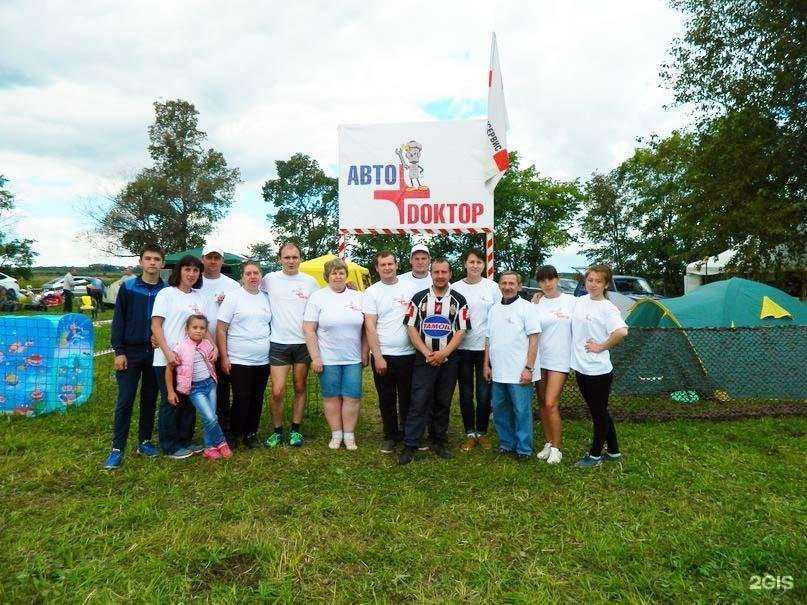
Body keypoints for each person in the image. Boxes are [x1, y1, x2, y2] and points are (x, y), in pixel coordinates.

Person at [398, 258, 470, 465]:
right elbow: (411, 327)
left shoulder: (459, 300)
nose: (440, 276)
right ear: (431, 273)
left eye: (444, 272)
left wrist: (444, 353)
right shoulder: (419, 298)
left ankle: (439, 441)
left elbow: (461, 330)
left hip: (449, 359)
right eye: (436, 272)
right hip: (424, 358)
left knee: (443, 401)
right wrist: (427, 352)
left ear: (450, 274)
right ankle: (410, 444)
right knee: (419, 400)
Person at [103, 245, 167, 470]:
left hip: (155, 353)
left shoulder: (166, 290)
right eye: (148, 258)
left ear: (162, 263)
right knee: (125, 399)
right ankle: (117, 448)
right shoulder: (128, 287)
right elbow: (118, 320)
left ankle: (145, 441)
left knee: (150, 398)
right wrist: (118, 350)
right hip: (130, 352)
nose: (152, 263)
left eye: (156, 259)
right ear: (141, 262)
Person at [152, 255, 216, 459]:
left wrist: (213, 347)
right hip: (168, 359)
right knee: (172, 401)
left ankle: (185, 440)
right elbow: (156, 325)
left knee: (188, 402)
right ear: (179, 271)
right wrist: (167, 352)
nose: (191, 274)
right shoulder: (166, 294)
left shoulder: (200, 297)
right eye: (187, 269)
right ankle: (170, 445)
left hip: (192, 361)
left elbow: (203, 328)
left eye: (196, 270)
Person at [303, 258, 367, 450]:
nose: (338, 276)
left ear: (346, 275)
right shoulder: (318, 297)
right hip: (328, 358)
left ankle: (349, 435)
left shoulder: (358, 297)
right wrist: (315, 357)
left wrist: (365, 351)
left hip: (353, 358)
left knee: (352, 396)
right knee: (331, 396)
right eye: (333, 273)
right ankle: (336, 434)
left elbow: (366, 328)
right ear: (327, 276)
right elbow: (308, 329)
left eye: (341, 272)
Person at [261, 242, 318, 448]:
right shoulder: (269, 279)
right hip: (278, 342)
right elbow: (250, 291)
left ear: (300, 259)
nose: (291, 261)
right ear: (280, 259)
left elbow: (323, 302)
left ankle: (295, 429)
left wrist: (348, 290)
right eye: (287, 257)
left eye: (295, 257)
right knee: (277, 391)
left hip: (303, 343)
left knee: (300, 386)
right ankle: (277, 431)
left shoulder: (310, 282)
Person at [571, 265, 628, 468]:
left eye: (598, 281)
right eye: (590, 280)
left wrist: (601, 346)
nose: (593, 284)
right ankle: (613, 451)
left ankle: (595, 456)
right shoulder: (579, 302)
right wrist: (539, 296)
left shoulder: (608, 308)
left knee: (598, 413)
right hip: (581, 368)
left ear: (605, 285)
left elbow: (621, 332)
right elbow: (556, 300)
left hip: (598, 371)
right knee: (600, 410)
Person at [363, 251, 417, 453]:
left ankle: (408, 433)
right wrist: (377, 356)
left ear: (396, 265)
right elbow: (370, 325)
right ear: (377, 268)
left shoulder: (410, 289)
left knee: (407, 397)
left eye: (390, 264)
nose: (387, 268)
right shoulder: (372, 292)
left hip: (408, 354)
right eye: (382, 265)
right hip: (384, 354)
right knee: (386, 398)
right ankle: (390, 435)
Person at [483, 271, 541, 459]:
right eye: (504, 283)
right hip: (498, 371)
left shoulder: (527, 308)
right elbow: (488, 339)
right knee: (500, 410)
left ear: (519, 286)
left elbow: (534, 340)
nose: (508, 287)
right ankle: (506, 443)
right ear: (499, 285)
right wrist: (486, 365)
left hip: (519, 372)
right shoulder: (493, 309)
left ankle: (524, 448)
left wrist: (528, 368)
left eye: (512, 283)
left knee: (521, 411)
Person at [217, 261, 272, 448]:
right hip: (239, 359)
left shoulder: (266, 297)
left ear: (261, 276)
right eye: (248, 273)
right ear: (242, 277)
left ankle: (251, 433)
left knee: (257, 398)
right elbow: (221, 329)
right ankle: (234, 433)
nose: (252, 276)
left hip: (263, 360)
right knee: (242, 397)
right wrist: (224, 357)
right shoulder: (233, 297)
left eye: (256, 273)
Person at [451, 249, 501, 452]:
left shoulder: (492, 288)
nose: (475, 265)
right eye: (471, 261)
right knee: (465, 392)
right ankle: (469, 433)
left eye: (479, 262)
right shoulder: (454, 288)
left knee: (484, 393)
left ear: (484, 264)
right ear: (465, 264)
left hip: (484, 349)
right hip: (461, 348)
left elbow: (501, 313)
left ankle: (482, 431)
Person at [165, 315, 232, 460]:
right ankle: (221, 442)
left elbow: (211, 363)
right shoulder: (180, 347)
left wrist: (215, 355)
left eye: (202, 328)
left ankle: (209, 447)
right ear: (187, 329)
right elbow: (169, 369)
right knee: (210, 417)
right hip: (195, 389)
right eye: (194, 327)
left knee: (210, 417)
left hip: (210, 384)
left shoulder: (207, 345)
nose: (198, 331)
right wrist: (171, 391)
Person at [532, 265, 577, 465]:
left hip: (560, 360)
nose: (547, 284)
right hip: (540, 359)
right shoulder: (535, 303)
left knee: (551, 403)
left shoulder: (571, 301)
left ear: (557, 279)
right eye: (542, 281)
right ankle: (549, 443)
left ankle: (557, 448)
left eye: (550, 279)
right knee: (542, 403)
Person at [197, 244, 241, 436]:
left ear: (222, 261)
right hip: (198, 345)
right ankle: (204, 425)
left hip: (225, 345)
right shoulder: (194, 281)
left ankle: (224, 426)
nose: (213, 261)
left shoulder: (232, 285)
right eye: (209, 257)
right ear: (202, 259)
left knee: (223, 387)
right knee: (199, 386)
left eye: (217, 258)